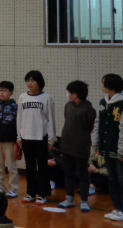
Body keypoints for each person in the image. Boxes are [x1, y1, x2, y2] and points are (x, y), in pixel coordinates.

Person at [17, 70, 56, 205]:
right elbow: (19, 118)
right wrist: (19, 136)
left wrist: (51, 139)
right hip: (26, 137)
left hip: (41, 137)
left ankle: (42, 194)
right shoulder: (22, 97)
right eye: (28, 80)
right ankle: (31, 193)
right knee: (30, 167)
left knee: (42, 167)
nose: (30, 83)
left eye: (33, 80)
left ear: (39, 82)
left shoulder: (47, 98)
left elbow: (51, 119)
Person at [56, 80, 96, 213]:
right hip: (66, 144)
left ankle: (84, 200)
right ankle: (69, 199)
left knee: (82, 174)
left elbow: (89, 127)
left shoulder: (88, 109)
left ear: (77, 93)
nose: (68, 95)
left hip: (81, 146)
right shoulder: (68, 105)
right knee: (69, 173)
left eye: (71, 92)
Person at [92, 73, 123, 221]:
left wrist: (121, 150)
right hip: (107, 148)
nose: (102, 86)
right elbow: (98, 124)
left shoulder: (121, 104)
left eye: (103, 83)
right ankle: (117, 209)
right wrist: (97, 144)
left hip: (118, 150)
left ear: (111, 85)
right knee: (112, 179)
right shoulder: (103, 102)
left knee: (121, 179)